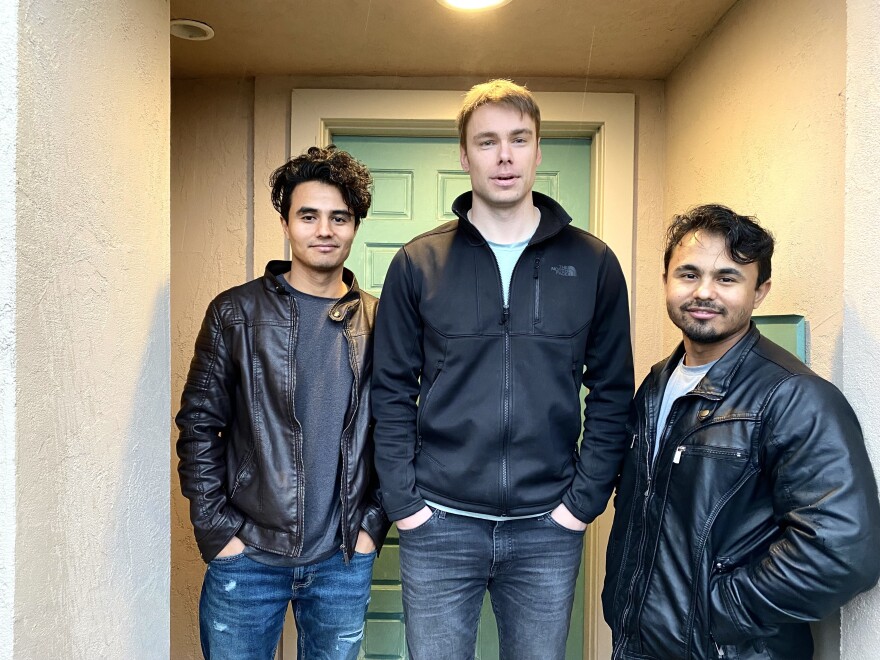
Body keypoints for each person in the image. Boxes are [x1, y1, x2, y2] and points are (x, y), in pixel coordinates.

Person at [371, 79, 634, 659]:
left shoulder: (592, 262)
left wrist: (580, 505)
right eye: (487, 142)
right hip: (438, 521)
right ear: (464, 156)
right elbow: (389, 390)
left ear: (539, 150)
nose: (505, 156)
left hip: (547, 527)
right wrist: (405, 505)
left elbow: (614, 392)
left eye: (519, 139)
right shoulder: (419, 262)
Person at [603, 204, 880, 659]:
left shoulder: (794, 398)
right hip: (639, 643)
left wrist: (716, 612)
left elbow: (843, 552)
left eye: (727, 278)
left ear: (760, 291)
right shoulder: (656, 384)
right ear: (666, 280)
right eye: (688, 274)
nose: (704, 292)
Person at [176, 145, 389, 660]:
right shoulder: (235, 313)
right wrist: (218, 532)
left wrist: (371, 528)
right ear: (286, 222)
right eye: (308, 215)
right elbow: (199, 425)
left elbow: (401, 430)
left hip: (342, 558)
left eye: (339, 217)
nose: (324, 230)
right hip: (246, 557)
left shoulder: (382, 322)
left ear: (355, 225)